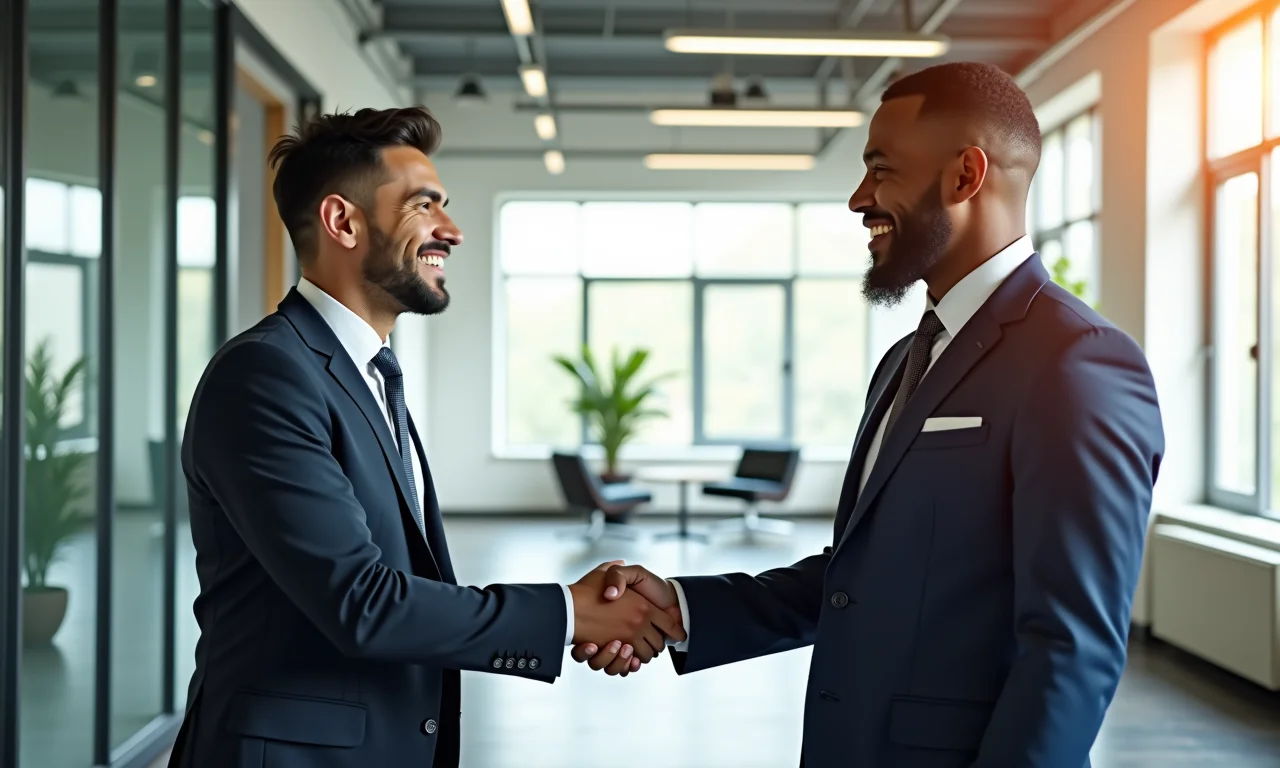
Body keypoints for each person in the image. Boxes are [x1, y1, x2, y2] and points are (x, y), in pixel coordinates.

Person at [573, 62, 1164, 768]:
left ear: (964, 177)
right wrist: (679, 608)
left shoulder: (1077, 362)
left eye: (880, 170)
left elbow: (1071, 647)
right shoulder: (903, 363)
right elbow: (863, 577)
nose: (859, 198)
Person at [168, 106, 681, 768]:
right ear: (342, 221)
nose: (452, 230)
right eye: (424, 206)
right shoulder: (266, 374)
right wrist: (569, 613)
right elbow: (362, 602)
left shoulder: (371, 375)